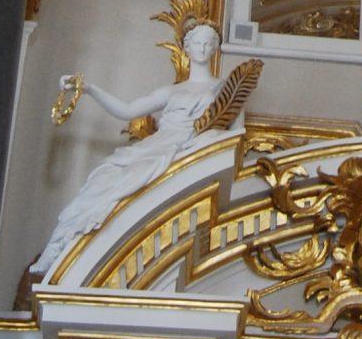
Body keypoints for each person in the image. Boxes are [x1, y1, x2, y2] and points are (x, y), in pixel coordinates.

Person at [31, 19, 224, 281]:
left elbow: (229, 135)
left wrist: (199, 143)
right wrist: (89, 89)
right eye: (198, 42)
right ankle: (61, 243)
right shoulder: (170, 92)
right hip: (158, 145)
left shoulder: (222, 90)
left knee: (130, 177)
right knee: (103, 177)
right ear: (186, 48)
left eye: (208, 43)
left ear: (215, 48)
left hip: (185, 149)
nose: (202, 48)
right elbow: (127, 110)